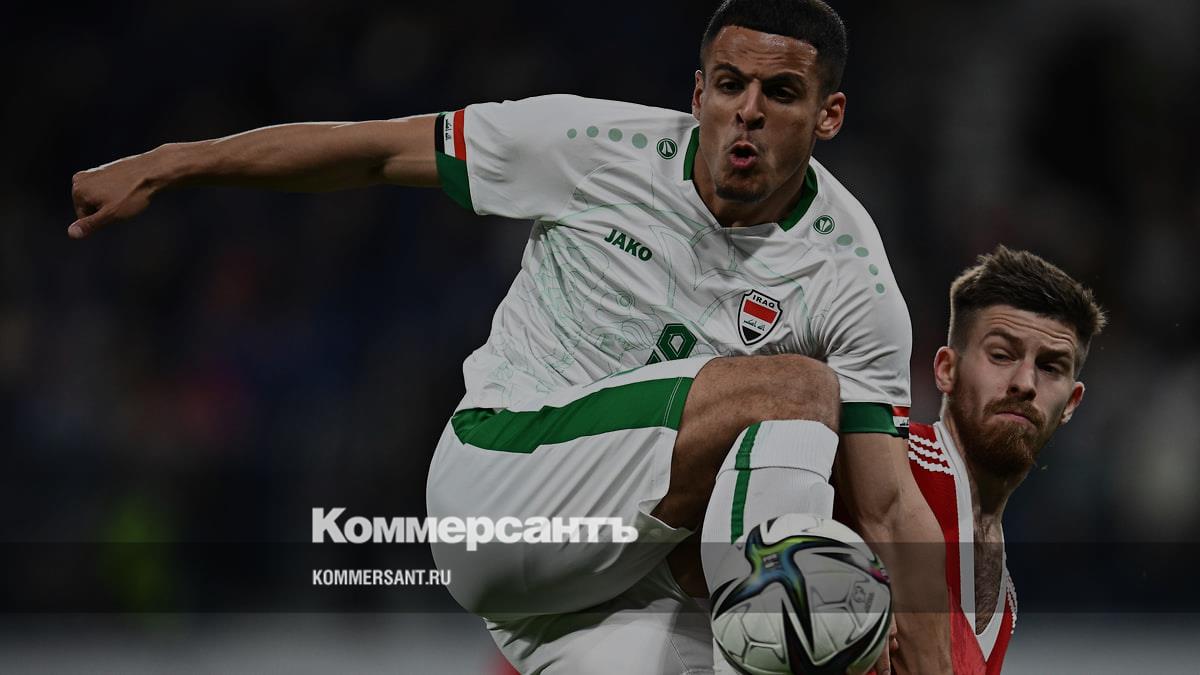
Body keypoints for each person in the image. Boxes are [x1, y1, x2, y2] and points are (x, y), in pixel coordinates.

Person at [68, 1, 950, 672]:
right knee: (797, 392)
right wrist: (172, 162)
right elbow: (370, 149)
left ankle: (774, 617)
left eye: (781, 93)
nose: (747, 111)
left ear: (829, 115)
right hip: (498, 481)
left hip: (578, 599)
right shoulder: (591, 145)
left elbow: (887, 507)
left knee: (809, 468)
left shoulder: (853, 275)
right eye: (729, 85)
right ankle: (781, 600)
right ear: (698, 94)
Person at [898, 246, 1105, 673]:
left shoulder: (1005, 601)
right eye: (1001, 355)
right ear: (946, 370)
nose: (1025, 383)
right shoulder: (887, 460)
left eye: (1050, 367)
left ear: (1070, 404)